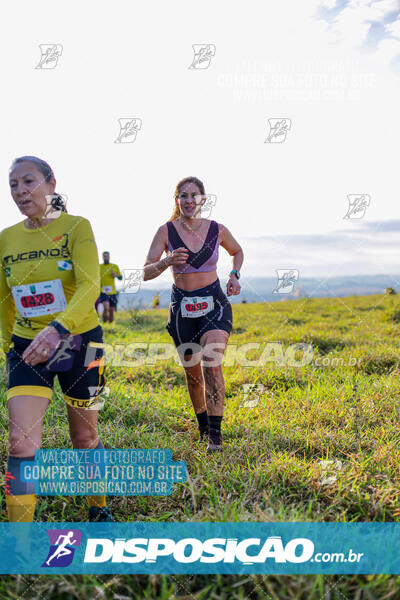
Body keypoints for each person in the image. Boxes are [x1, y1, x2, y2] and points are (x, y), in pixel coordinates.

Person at [0, 156, 113, 522]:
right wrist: (8, 348)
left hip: (81, 345)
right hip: (28, 349)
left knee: (84, 438)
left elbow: (89, 285)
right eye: (13, 184)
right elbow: (4, 299)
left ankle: (99, 509)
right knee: (21, 443)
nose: (20, 191)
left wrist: (59, 328)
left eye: (28, 181)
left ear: (51, 183)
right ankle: (19, 542)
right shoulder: (7, 238)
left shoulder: (77, 227)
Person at [143, 176, 243, 452]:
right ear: (177, 201)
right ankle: (202, 427)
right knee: (193, 375)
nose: (188, 201)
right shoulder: (166, 231)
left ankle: (215, 436)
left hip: (214, 303)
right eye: (183, 196)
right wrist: (167, 261)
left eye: (193, 195)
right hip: (182, 309)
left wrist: (234, 275)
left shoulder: (217, 229)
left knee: (212, 361)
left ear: (203, 199)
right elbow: (145, 272)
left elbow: (237, 251)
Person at [98, 252, 122, 323]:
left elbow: (121, 278)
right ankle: (105, 324)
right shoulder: (99, 267)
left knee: (111, 311)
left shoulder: (114, 266)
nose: (106, 258)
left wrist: (116, 275)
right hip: (103, 291)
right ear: (102, 257)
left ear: (109, 257)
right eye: (104, 256)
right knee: (106, 308)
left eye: (107, 256)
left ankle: (111, 325)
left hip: (112, 292)